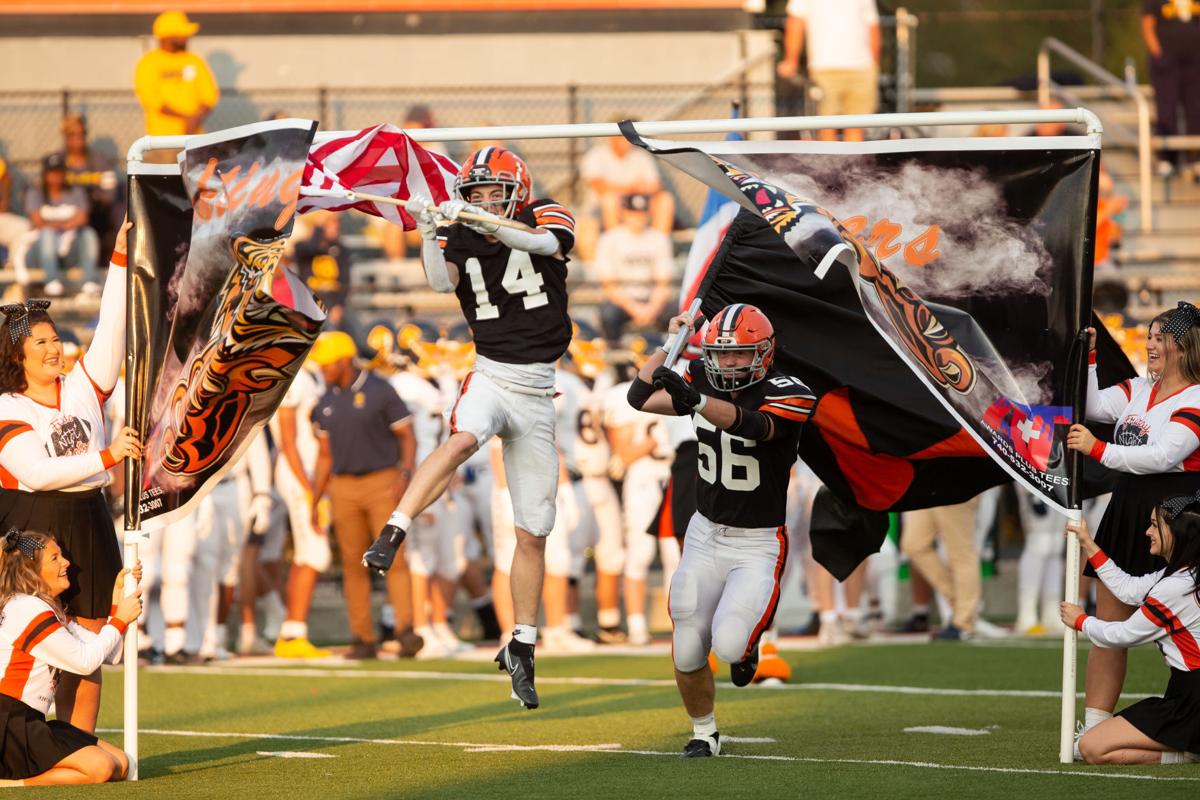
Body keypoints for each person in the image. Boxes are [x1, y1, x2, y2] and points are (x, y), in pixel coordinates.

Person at [362, 146, 575, 709]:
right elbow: (439, 283)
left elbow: (542, 244)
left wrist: (486, 220)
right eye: (473, 194)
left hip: (539, 391)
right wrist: (430, 235)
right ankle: (395, 529)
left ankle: (522, 644)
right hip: (490, 373)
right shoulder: (462, 235)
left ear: (517, 189)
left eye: (491, 192)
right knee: (460, 441)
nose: (481, 201)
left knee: (533, 531)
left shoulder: (545, 214)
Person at [627, 303, 816, 757]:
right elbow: (639, 396)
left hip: (757, 542)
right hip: (705, 533)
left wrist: (694, 400)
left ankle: (749, 644)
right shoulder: (701, 376)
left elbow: (753, 425)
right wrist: (668, 345)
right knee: (688, 649)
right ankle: (704, 732)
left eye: (739, 354)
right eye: (720, 354)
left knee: (729, 646)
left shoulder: (790, 390)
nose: (728, 364)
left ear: (765, 352)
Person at [0, 221, 139, 733]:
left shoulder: (82, 385)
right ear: (17, 355)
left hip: (88, 515)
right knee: (31, 631)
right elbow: (35, 473)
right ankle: (22, 737)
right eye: (40, 342)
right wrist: (107, 457)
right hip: (31, 523)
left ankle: (78, 742)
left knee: (89, 635)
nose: (54, 348)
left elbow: (113, 327)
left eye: (55, 339)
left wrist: (120, 259)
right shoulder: (5, 406)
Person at [1065, 303, 1200, 749]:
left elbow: (1164, 454)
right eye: (1149, 336)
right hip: (1128, 507)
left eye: (1160, 337)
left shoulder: (1197, 397)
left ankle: (1186, 720)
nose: (1150, 345)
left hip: (1180, 514)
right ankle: (1095, 724)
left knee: (1184, 618)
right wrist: (1089, 358)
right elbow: (1089, 405)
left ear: (1184, 345)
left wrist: (1098, 451)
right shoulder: (1141, 387)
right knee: (1111, 619)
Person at [1062, 497, 1200, 764]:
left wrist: (1081, 621)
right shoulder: (1181, 575)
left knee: (1090, 748)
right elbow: (1128, 589)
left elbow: (1123, 635)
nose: (1147, 532)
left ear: (1176, 532)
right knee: (1090, 747)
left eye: (1154, 525)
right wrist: (1088, 544)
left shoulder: (1173, 588)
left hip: (1191, 701)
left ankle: (1186, 754)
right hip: (1185, 696)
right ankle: (1186, 751)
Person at [308, 331, 418, 660]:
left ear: (345, 360)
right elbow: (325, 455)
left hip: (381, 480)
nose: (323, 370)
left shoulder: (380, 390)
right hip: (342, 487)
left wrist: (405, 474)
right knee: (354, 565)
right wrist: (315, 500)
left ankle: (406, 630)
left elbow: (407, 437)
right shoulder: (324, 401)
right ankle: (362, 637)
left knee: (394, 558)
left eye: (328, 364)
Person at [0, 529, 140, 785]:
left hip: (28, 720)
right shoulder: (27, 609)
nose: (67, 563)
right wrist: (120, 620)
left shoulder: (46, 609)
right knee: (100, 769)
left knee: (122, 765)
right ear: (32, 570)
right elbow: (84, 662)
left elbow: (111, 654)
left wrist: (117, 602)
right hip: (9, 721)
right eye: (55, 558)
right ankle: (10, 783)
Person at [269, 358, 333, 659]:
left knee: (308, 553)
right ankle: (293, 631)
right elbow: (288, 441)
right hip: (300, 475)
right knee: (316, 551)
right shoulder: (291, 375)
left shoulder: (311, 375)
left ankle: (292, 631)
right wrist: (311, 491)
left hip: (311, 475)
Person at [776, 0, 881, 142]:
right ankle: (830, 164)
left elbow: (872, 26)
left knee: (857, 128)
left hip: (862, 68)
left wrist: (873, 63)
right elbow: (796, 21)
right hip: (824, 69)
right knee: (826, 126)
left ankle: (853, 164)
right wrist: (791, 59)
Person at [577, 122, 674, 261]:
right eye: (623, 136)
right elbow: (598, 186)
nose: (627, 141)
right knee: (609, 199)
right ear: (612, 137)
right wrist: (630, 189)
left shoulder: (640, 155)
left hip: (637, 207)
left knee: (665, 200)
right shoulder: (597, 154)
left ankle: (659, 253)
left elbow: (656, 186)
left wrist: (635, 190)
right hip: (603, 208)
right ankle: (615, 252)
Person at [594, 193, 676, 343]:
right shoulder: (609, 239)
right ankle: (617, 360)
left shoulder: (659, 238)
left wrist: (651, 309)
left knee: (677, 313)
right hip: (622, 300)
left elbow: (663, 284)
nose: (638, 218)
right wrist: (636, 309)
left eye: (642, 213)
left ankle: (670, 356)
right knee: (608, 314)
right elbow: (609, 286)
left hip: (652, 299)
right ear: (623, 213)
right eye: (633, 213)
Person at [899, 497, 982, 640]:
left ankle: (964, 623)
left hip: (957, 486)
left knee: (961, 553)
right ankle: (960, 603)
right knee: (913, 545)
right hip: (927, 485)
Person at [23, 154, 101, 297]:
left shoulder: (76, 191)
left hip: (68, 250)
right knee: (47, 234)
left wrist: (56, 224)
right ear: (45, 173)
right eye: (52, 172)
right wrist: (66, 223)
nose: (56, 176)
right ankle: (51, 281)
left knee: (88, 233)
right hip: (39, 254)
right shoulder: (35, 192)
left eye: (59, 172)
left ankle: (89, 282)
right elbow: (38, 222)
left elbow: (83, 217)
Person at [134, 10, 219, 137]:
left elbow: (209, 96)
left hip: (194, 137)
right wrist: (187, 118)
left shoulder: (194, 60)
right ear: (168, 35)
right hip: (162, 140)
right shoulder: (149, 62)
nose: (187, 37)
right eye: (183, 34)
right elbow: (152, 101)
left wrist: (195, 119)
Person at [1141, 1, 1200, 176]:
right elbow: (1147, 24)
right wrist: (1157, 53)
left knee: (1195, 108)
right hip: (1166, 57)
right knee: (1167, 107)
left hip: (1194, 59)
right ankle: (1166, 158)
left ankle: (1195, 158)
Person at [59, 114, 123, 260]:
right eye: (72, 134)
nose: (78, 138)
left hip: (96, 212)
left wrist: (91, 200)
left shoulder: (98, 160)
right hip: (66, 211)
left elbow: (110, 193)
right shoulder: (59, 160)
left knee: (120, 211)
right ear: (65, 137)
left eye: (82, 133)